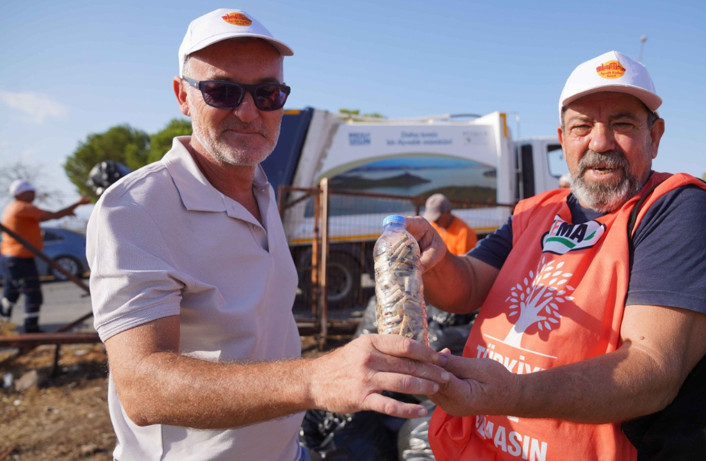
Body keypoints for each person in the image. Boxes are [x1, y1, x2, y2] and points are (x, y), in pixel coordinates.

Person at [86, 9, 448, 461]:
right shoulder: (136, 206)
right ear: (183, 96)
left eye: (267, 93)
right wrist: (315, 380)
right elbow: (142, 387)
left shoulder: (260, 189)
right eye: (222, 91)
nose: (248, 111)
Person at [405, 50, 706, 460]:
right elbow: (468, 286)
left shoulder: (673, 209)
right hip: (475, 446)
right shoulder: (536, 210)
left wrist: (513, 393)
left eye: (622, 124)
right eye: (582, 126)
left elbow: (653, 368)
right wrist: (435, 260)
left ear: (654, 137)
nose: (600, 142)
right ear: (563, 139)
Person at [1, 180, 89, 333]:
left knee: (11, 293)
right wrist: (77, 203)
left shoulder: (11, 207)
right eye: (31, 191)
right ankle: (31, 327)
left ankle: (4, 325)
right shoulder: (23, 207)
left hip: (10, 257)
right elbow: (53, 216)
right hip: (20, 257)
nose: (34, 194)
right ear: (21, 194)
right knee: (32, 293)